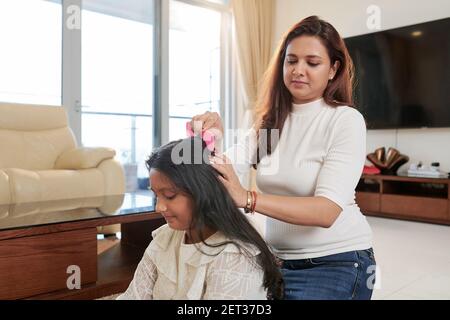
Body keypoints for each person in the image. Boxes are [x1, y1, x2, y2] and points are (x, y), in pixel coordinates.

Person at [189, 16, 376, 300]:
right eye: (291, 61)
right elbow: (217, 174)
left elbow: (326, 212)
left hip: (337, 262)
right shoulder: (270, 124)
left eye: (312, 63)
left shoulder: (345, 120)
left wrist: (248, 198)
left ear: (332, 69)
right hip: (276, 261)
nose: (299, 70)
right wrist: (210, 139)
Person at [117, 137, 283, 300]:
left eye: (169, 195)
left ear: (202, 192)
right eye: (156, 195)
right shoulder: (165, 237)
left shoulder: (235, 257)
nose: (158, 207)